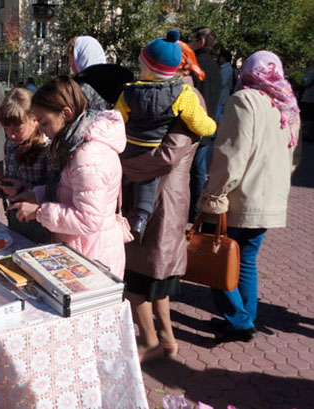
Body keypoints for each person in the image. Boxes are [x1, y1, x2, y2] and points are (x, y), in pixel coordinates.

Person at [198, 51, 300, 343]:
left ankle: (240, 321)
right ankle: (242, 320)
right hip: (269, 199)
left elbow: (231, 156)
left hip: (238, 199)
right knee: (246, 260)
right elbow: (295, 158)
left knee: (219, 259)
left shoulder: (244, 100)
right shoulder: (287, 103)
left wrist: (213, 195)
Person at [121, 40, 206, 362]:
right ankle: (167, 341)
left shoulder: (184, 98)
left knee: (137, 279)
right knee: (156, 275)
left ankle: (150, 342)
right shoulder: (170, 94)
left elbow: (168, 155)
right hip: (159, 196)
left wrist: (120, 166)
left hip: (160, 199)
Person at [9, 76, 126, 278]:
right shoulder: (74, 145)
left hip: (92, 256)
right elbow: (71, 190)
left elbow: (89, 219)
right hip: (83, 249)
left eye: (45, 123)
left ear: (66, 114)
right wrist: (36, 195)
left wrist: (39, 212)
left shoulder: (87, 155)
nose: (43, 131)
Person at [115, 29, 216, 242]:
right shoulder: (183, 94)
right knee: (148, 180)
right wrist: (211, 127)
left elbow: (118, 118)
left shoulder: (129, 92)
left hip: (130, 144)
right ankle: (141, 218)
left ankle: (123, 213)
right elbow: (197, 123)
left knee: (126, 180)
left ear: (146, 67)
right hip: (154, 144)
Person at [0, 88, 51, 243]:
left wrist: (24, 190)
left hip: (39, 222)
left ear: (34, 120)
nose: (11, 134)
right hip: (15, 217)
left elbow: (56, 192)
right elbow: (11, 178)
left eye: (17, 128)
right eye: (6, 128)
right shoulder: (11, 143)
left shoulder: (46, 148)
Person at [187, 27, 221, 222]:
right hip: (207, 126)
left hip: (193, 127)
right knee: (199, 172)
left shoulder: (196, 65)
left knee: (189, 173)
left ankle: (191, 211)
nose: (189, 41)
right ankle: (196, 212)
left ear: (201, 41)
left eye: (192, 38)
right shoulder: (215, 67)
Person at [68, 36, 134, 110]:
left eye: (71, 59)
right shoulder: (124, 82)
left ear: (79, 58)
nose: (70, 64)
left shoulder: (75, 89)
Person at [216, 49, 238, 122]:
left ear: (223, 58)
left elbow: (222, 83)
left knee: (218, 115)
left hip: (222, 96)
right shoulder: (225, 68)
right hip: (222, 96)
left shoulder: (227, 69)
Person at [299, 59, 314, 141]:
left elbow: (306, 83)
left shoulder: (311, 72)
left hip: (309, 98)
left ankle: (308, 135)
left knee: (308, 118)